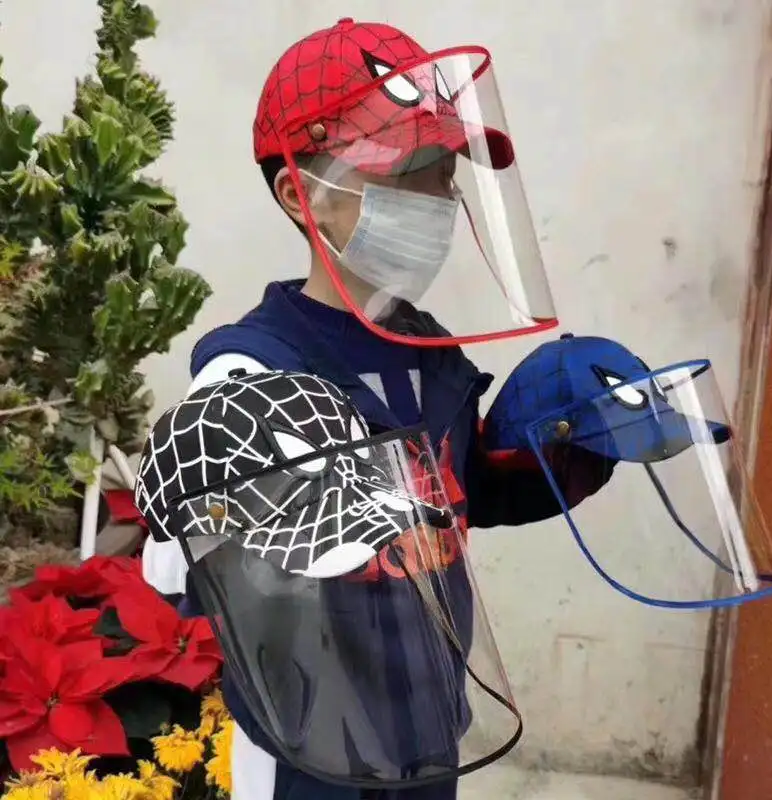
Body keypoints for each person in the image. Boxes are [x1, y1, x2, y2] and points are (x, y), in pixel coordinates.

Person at [139, 18, 615, 800]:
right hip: (309, 749)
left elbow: (454, 502)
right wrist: (242, 495)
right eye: (401, 174)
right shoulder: (251, 373)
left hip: (428, 725)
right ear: (301, 195)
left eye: (441, 174)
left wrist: (564, 448)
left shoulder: (428, 352)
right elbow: (177, 573)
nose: (433, 201)